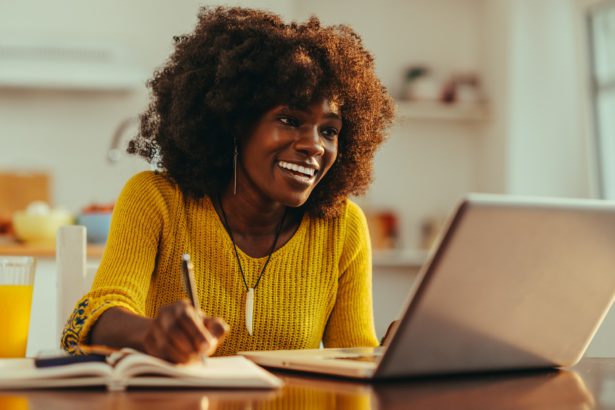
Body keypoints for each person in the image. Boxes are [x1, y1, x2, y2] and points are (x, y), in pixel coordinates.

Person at [61, 6, 394, 363]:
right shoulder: (157, 199)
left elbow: (354, 359)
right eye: (289, 119)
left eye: (329, 130)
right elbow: (90, 319)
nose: (314, 144)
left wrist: (390, 355)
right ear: (235, 123)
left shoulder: (342, 227)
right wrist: (152, 333)